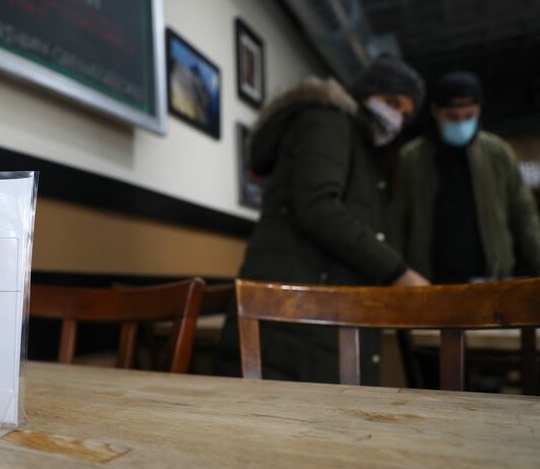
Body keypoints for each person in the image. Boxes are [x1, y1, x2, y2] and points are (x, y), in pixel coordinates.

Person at [215, 55, 429, 384]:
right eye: (392, 103)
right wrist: (397, 271)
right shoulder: (328, 121)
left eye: (405, 113)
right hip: (296, 313)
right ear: (366, 92)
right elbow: (318, 208)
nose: (396, 118)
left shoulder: (362, 148)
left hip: (308, 311)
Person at [393, 72, 540, 283]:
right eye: (452, 117)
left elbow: (523, 213)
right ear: (435, 111)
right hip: (432, 282)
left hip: (493, 277)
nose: (462, 123)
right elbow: (397, 220)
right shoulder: (411, 159)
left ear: (479, 110)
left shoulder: (497, 152)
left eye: (469, 115)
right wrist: (398, 273)